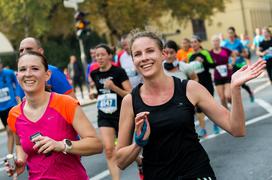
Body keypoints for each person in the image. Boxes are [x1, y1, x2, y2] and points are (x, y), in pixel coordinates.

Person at [116, 30, 266, 180]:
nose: (144, 58)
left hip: (196, 173)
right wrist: (138, 143)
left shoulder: (189, 89)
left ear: (163, 54)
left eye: (150, 51)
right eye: (137, 54)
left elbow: (237, 129)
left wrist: (235, 88)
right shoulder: (130, 101)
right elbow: (120, 161)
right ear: (133, 60)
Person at [6, 51, 103, 179]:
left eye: (34, 68)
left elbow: (96, 144)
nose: (28, 74)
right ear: (18, 76)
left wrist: (61, 145)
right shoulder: (14, 114)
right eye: (23, 69)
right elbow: (19, 145)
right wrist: (20, 161)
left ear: (47, 75)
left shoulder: (65, 103)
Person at [89, 44, 131, 180]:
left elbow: (130, 94)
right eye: (96, 55)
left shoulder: (118, 72)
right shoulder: (94, 74)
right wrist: (93, 95)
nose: (99, 57)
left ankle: (140, 161)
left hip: (122, 114)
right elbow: (99, 92)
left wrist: (114, 87)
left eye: (102, 54)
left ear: (109, 55)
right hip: (104, 115)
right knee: (108, 150)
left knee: (125, 149)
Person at [188, 35, 217, 137]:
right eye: (191, 42)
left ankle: (215, 123)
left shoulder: (205, 53)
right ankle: (203, 129)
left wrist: (203, 61)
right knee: (198, 107)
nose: (193, 44)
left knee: (210, 104)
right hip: (196, 84)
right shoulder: (190, 56)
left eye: (195, 42)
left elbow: (213, 64)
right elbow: (189, 71)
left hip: (207, 81)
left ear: (199, 43)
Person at [223, 27, 255, 102]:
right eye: (228, 33)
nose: (230, 34)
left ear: (234, 33)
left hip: (240, 64)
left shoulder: (238, 42)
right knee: (232, 82)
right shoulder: (226, 44)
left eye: (231, 33)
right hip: (231, 65)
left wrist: (239, 53)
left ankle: (250, 92)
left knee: (241, 83)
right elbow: (224, 55)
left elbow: (245, 54)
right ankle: (234, 100)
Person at [0, 59, 21, 154]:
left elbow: (17, 82)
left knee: (11, 129)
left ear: (1, 64)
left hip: (11, 105)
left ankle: (20, 152)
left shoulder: (9, 73)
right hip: (1, 108)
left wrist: (17, 93)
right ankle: (10, 156)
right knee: (9, 132)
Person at [210, 35, 232, 112]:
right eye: (214, 41)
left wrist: (231, 64)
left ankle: (234, 104)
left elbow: (233, 55)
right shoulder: (210, 53)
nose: (215, 43)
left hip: (227, 75)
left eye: (217, 41)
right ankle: (227, 113)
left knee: (228, 96)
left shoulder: (225, 50)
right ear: (212, 43)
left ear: (219, 42)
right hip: (217, 76)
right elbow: (208, 64)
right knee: (222, 98)